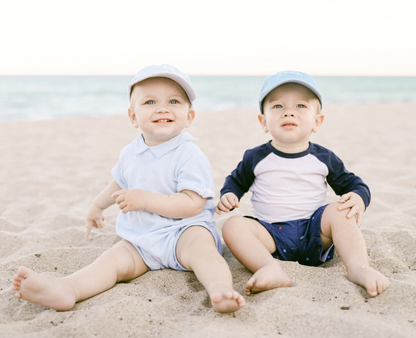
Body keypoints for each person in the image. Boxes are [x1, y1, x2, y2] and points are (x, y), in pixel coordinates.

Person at [12, 64, 245, 313]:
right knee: (111, 261)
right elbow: (119, 182)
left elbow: (193, 203)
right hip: (142, 239)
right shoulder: (130, 153)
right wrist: (97, 205)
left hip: (184, 232)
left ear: (189, 117)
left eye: (174, 101)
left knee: (204, 253)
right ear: (133, 116)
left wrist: (145, 200)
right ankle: (69, 288)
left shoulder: (189, 154)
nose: (162, 108)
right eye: (150, 102)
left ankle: (220, 288)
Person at [215, 70, 389, 297]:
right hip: (271, 236)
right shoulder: (255, 157)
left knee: (339, 210)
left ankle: (359, 267)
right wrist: (230, 195)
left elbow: (353, 183)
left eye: (300, 106)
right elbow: (236, 181)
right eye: (278, 106)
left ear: (317, 122)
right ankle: (269, 267)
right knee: (233, 225)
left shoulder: (324, 158)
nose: (289, 112)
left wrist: (358, 197)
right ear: (263, 121)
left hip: (314, 232)